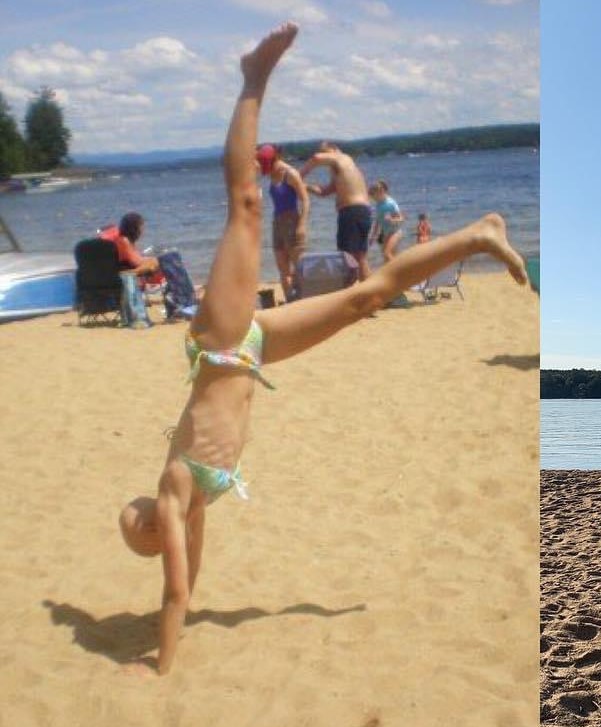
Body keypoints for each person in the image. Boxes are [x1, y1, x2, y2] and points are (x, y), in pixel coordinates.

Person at [117, 22, 528, 676]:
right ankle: (478, 234)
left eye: (151, 536)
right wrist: (181, 618)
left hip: (223, 344)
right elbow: (187, 583)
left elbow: (171, 591)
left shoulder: (172, 491)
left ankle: (252, 77)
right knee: (367, 299)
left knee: (246, 205)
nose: (160, 539)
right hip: (250, 350)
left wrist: (161, 666)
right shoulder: (191, 508)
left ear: (149, 524)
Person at [299, 140, 373, 280]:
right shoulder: (343, 169)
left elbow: (316, 158)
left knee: (347, 256)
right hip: (360, 212)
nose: (324, 157)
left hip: (352, 212)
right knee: (359, 257)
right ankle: (369, 293)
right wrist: (306, 186)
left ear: (334, 150)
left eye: (325, 152)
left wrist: (298, 175)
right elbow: (325, 191)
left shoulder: (342, 158)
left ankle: (355, 293)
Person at [256, 143, 309, 299]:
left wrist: (302, 225)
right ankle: (289, 300)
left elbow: (305, 200)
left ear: (276, 158)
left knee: (299, 266)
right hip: (277, 222)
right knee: (282, 267)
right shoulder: (272, 173)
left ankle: (302, 299)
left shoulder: (290, 173)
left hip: (292, 220)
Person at [97, 212, 163, 288]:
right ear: (134, 229)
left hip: (112, 274)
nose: (143, 231)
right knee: (160, 262)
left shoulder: (119, 239)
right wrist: (154, 261)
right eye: (141, 227)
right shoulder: (123, 241)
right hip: (122, 276)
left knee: (154, 262)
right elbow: (137, 262)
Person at [372, 179, 405, 262]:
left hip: (395, 232)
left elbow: (401, 218)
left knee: (387, 253)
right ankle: (397, 273)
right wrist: (373, 235)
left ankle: (400, 271)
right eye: (373, 194)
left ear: (382, 192)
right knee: (387, 257)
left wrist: (392, 219)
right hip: (386, 233)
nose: (374, 197)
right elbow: (378, 221)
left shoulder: (391, 203)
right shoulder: (378, 204)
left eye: (375, 194)